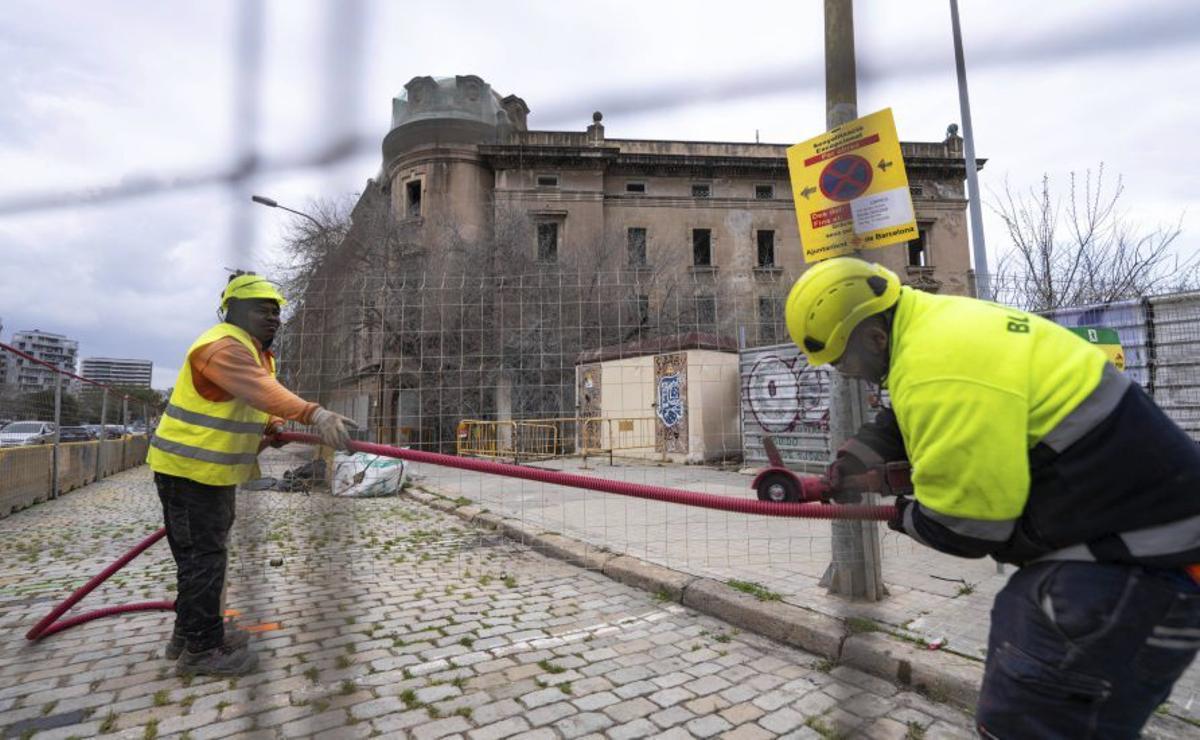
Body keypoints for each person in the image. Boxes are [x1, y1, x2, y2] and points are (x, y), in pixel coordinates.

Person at [785, 257, 1200, 738]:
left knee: (1028, 717)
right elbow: (909, 415)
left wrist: (903, 515)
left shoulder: (933, 371)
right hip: (1130, 543)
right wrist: (856, 457)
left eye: (841, 360)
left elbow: (965, 526)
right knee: (1020, 638)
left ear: (875, 339)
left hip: (1146, 566)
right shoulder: (940, 325)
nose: (844, 374)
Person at [147, 271, 357, 676]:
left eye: (277, 312)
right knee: (202, 561)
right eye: (263, 311)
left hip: (213, 474)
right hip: (190, 473)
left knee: (204, 559)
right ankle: (202, 651)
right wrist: (314, 413)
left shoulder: (254, 351)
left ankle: (190, 634)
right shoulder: (222, 346)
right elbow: (261, 390)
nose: (273, 319)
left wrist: (270, 426)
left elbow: (250, 401)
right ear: (234, 312)